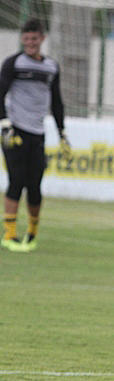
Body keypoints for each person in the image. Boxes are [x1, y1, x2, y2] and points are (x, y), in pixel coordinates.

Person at [0, 18, 69, 253]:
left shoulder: (51, 67)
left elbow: (57, 101)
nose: (30, 43)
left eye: (34, 39)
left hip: (38, 134)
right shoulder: (13, 63)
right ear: (22, 39)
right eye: (26, 39)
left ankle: (32, 234)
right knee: (16, 180)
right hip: (15, 131)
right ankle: (9, 235)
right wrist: (5, 125)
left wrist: (61, 132)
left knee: (35, 186)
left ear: (42, 38)